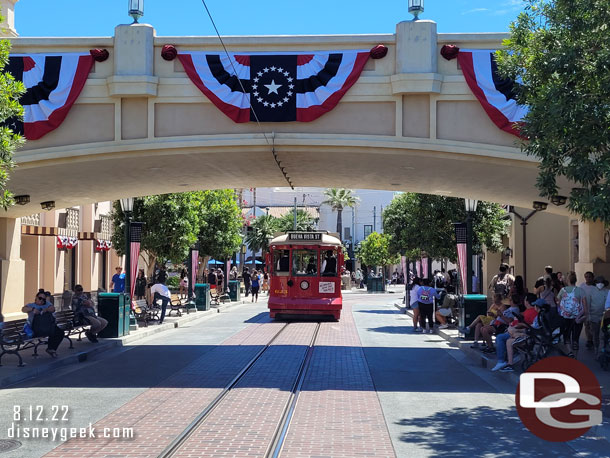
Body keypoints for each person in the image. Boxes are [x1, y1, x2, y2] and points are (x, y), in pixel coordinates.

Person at [491, 293, 541, 372]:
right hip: (518, 331)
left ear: (527, 301)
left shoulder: (533, 312)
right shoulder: (527, 311)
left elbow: (531, 326)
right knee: (501, 337)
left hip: (524, 334)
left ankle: (504, 361)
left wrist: (519, 325)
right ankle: (504, 360)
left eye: (525, 299)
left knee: (502, 338)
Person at [22, 292, 65, 358]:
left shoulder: (47, 304)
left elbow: (52, 309)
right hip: (36, 328)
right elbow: (23, 309)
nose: (41, 300)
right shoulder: (31, 305)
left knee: (60, 332)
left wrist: (46, 309)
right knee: (50, 332)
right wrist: (32, 309)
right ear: (36, 298)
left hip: (47, 325)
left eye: (43, 299)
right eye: (40, 298)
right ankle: (51, 348)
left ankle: (51, 348)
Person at [557, 271, 586, 358]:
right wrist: (581, 316)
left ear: (567, 280)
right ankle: (575, 357)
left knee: (566, 337)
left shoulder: (562, 290)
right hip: (577, 317)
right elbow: (585, 307)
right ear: (576, 280)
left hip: (565, 317)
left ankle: (569, 352)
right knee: (576, 338)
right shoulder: (581, 291)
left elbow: (558, 302)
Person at [585, 276, 608, 355]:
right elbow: (588, 303)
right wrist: (588, 316)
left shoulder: (607, 291)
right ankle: (596, 350)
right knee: (595, 334)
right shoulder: (591, 291)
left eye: (601, 282)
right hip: (593, 316)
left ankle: (602, 352)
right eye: (598, 282)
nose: (600, 284)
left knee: (603, 335)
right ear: (595, 283)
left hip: (604, 317)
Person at [579, 271, 596, 350]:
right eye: (586, 277)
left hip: (593, 309)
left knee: (592, 326)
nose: (588, 278)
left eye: (589, 277)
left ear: (592, 278)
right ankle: (589, 340)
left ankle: (593, 339)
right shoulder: (582, 286)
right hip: (585, 309)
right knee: (586, 325)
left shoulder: (595, 288)